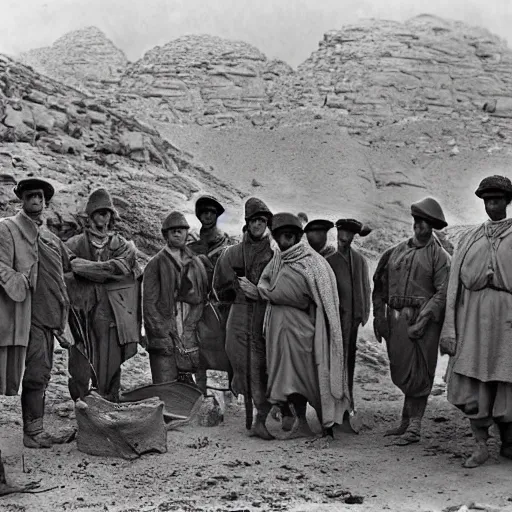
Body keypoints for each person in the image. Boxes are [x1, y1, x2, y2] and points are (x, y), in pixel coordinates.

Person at [240, 213, 350, 441]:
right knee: (290, 384)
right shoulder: (279, 259)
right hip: (281, 336)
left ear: (299, 236)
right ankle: (301, 424)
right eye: (281, 236)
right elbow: (266, 281)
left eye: (290, 236)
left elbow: (294, 295)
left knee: (311, 381)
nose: (285, 241)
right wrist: (265, 290)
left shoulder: (313, 262)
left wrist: (263, 293)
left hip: (304, 334)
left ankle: (326, 427)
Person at [440, 175, 512, 468]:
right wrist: (450, 329)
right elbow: (454, 289)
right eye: (487, 200)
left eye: (497, 199)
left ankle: (508, 442)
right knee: (473, 382)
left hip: (507, 323)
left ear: (508, 202)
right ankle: (481, 444)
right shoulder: (469, 238)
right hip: (473, 324)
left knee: (506, 382)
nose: (492, 204)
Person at [373, 198, 450, 445]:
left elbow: (443, 292)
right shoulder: (395, 252)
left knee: (421, 372)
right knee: (401, 369)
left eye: (426, 223)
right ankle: (405, 421)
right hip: (397, 320)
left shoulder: (439, 256)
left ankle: (415, 426)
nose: (420, 226)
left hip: (423, 322)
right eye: (418, 221)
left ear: (432, 226)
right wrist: (379, 317)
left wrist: (425, 319)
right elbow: (379, 285)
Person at [0, 178, 71, 448]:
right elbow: (1, 266)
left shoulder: (50, 237)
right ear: (22, 199)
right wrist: (22, 279)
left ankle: (35, 429)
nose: (36, 202)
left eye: (40, 197)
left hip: (46, 312)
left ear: (46, 202)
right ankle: (28, 432)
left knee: (41, 370)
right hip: (19, 312)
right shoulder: (7, 229)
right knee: (19, 372)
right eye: (30, 196)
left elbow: (67, 267)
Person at [65, 188, 142, 402]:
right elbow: (68, 266)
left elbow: (124, 268)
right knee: (80, 362)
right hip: (81, 313)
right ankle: (82, 404)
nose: (103, 216)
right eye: (98, 212)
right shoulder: (74, 244)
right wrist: (104, 270)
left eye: (106, 212)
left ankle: (109, 402)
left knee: (111, 361)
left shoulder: (122, 245)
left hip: (111, 314)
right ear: (89, 216)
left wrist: (85, 270)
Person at [214, 198, 274, 439]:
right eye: (254, 221)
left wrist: (259, 293)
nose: (258, 225)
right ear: (247, 223)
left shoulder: (274, 254)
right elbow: (219, 288)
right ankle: (252, 415)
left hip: (265, 316)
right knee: (241, 364)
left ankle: (262, 417)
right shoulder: (232, 253)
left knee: (263, 366)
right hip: (238, 316)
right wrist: (235, 290)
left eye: (262, 221)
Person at [143, 212, 208, 385]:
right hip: (165, 330)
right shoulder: (155, 264)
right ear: (166, 235)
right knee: (166, 383)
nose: (177, 234)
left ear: (187, 233)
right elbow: (149, 305)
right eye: (173, 231)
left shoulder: (195, 262)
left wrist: (190, 326)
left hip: (189, 327)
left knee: (189, 383)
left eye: (181, 230)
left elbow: (202, 298)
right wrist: (162, 334)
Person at [326, 218, 371, 432]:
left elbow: (365, 287)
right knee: (335, 363)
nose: (344, 239)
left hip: (352, 321)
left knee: (349, 363)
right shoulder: (330, 260)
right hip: (335, 320)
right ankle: (334, 407)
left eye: (348, 235)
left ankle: (348, 403)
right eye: (341, 234)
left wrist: (363, 314)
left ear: (353, 237)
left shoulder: (359, 261)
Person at [188, 195, 234, 393]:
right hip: (199, 305)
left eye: (211, 213)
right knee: (199, 347)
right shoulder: (191, 247)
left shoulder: (227, 244)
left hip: (224, 305)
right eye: (204, 212)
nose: (207, 216)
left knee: (227, 345)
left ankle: (231, 390)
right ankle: (200, 390)